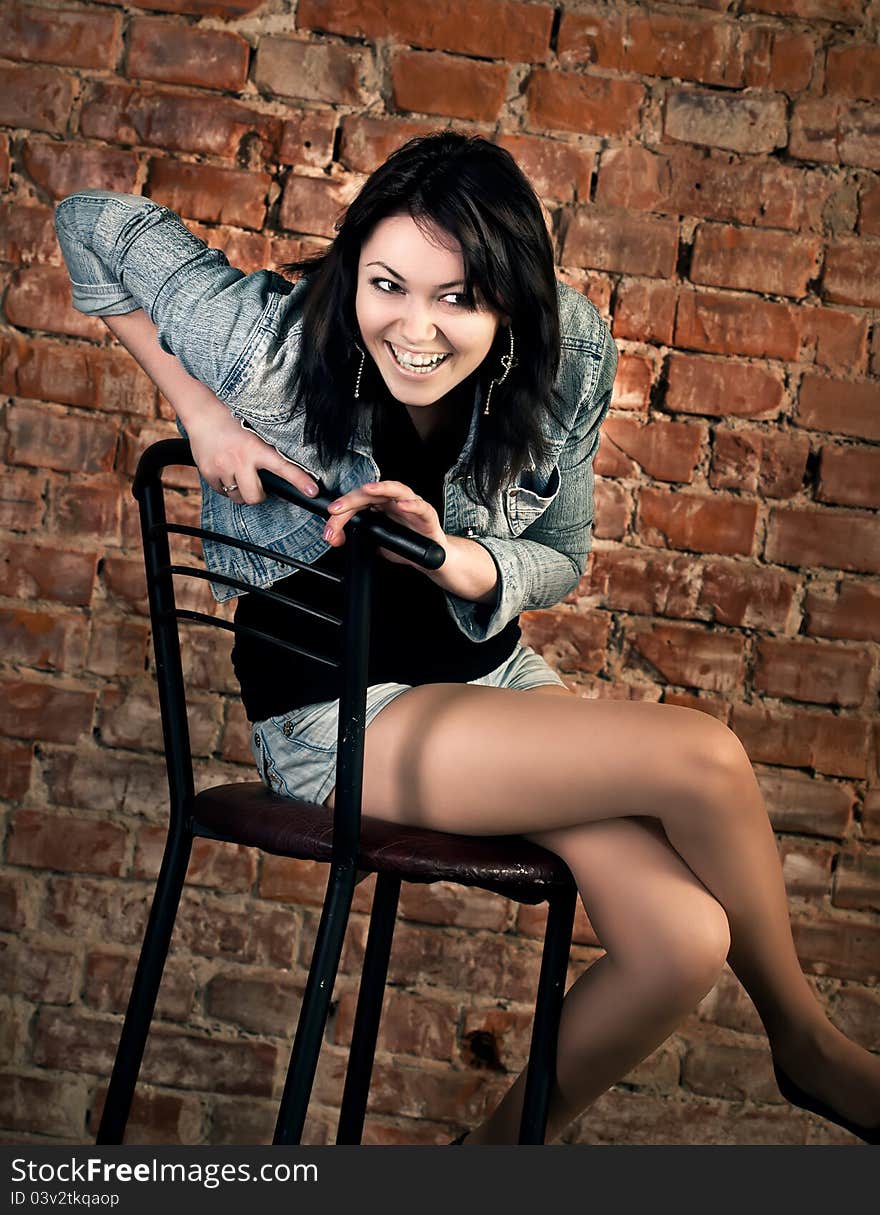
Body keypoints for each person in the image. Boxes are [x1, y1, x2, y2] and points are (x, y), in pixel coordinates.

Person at [55, 131, 878, 1146]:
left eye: (459, 299)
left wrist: (457, 558)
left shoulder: (566, 347)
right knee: (702, 755)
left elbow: (560, 552)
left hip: (491, 689)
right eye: (388, 286)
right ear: (353, 262)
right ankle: (806, 1046)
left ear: (510, 298)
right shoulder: (261, 339)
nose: (416, 328)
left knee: (683, 939)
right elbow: (87, 224)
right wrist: (200, 413)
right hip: (339, 721)